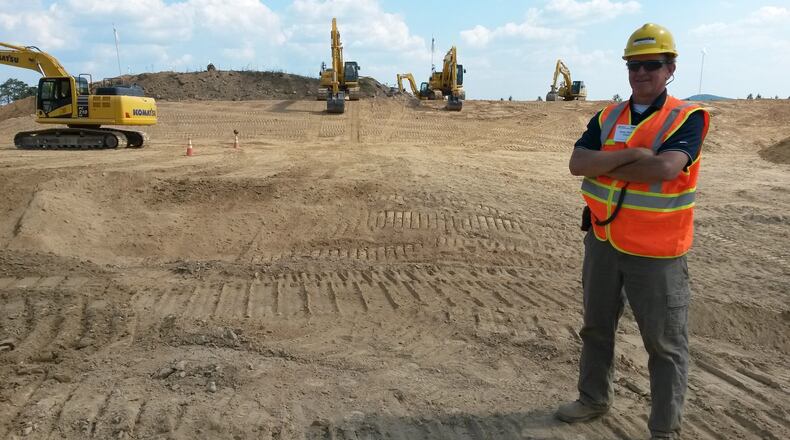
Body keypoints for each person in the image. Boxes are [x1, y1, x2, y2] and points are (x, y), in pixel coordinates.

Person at [555, 23, 710, 440]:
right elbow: (576, 164)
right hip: (603, 241)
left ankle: (664, 429)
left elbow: (665, 168)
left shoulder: (686, 118)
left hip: (658, 253)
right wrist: (635, 155)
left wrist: (611, 160)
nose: (641, 73)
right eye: (633, 65)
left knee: (664, 345)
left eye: (651, 65)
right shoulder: (607, 116)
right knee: (596, 328)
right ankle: (592, 399)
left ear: (670, 68)